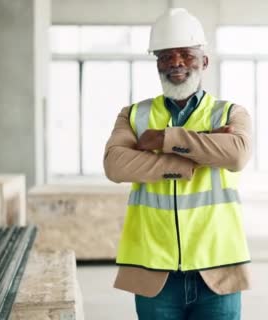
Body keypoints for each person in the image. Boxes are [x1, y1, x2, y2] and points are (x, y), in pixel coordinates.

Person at [103, 8, 251, 319]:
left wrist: (162, 140)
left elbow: (236, 155)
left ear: (204, 61)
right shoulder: (133, 114)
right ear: (157, 63)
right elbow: (115, 165)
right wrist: (199, 152)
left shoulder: (231, 113)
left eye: (186, 54)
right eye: (166, 56)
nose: (176, 63)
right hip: (154, 271)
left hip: (217, 268)